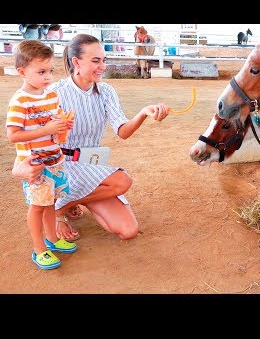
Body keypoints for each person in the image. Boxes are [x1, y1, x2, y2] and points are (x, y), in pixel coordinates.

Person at [13, 33, 171, 242]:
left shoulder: (106, 91)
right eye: (96, 60)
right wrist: (18, 168)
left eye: (103, 60)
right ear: (76, 62)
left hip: (91, 165)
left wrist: (143, 113)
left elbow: (122, 131)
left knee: (128, 230)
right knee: (122, 180)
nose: (102, 66)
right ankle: (60, 206)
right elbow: (29, 132)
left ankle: (65, 205)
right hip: (62, 165)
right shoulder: (53, 93)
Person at [6, 40, 77, 270]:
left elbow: (55, 124)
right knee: (37, 206)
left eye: (51, 71)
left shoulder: (51, 95)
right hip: (34, 164)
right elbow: (13, 135)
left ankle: (52, 239)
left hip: (54, 159)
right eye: (41, 71)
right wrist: (46, 129)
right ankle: (39, 249)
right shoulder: (19, 101)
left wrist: (63, 125)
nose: (48, 77)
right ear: (22, 72)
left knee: (51, 202)